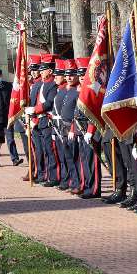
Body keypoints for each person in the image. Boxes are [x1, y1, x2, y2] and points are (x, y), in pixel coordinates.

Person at [25, 54, 59, 185]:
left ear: (50, 71)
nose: (40, 71)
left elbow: (49, 103)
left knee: (49, 150)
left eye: (43, 69)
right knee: (39, 150)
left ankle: (52, 176)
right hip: (37, 121)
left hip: (46, 120)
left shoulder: (52, 85)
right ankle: (41, 174)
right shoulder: (40, 84)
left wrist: (35, 110)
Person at [72, 57, 102, 199]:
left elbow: (94, 112)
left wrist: (90, 131)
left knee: (92, 160)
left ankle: (95, 188)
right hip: (81, 128)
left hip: (91, 130)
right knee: (84, 159)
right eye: (80, 75)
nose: (81, 79)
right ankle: (87, 185)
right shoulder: (81, 90)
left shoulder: (93, 90)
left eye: (83, 75)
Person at [58, 60, 82, 192]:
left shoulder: (78, 91)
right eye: (67, 75)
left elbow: (76, 113)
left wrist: (73, 128)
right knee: (67, 156)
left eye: (72, 74)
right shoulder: (67, 90)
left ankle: (77, 183)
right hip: (63, 127)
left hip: (73, 128)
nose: (69, 77)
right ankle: (72, 181)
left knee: (74, 157)